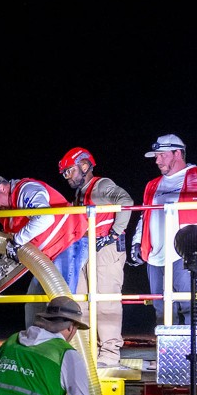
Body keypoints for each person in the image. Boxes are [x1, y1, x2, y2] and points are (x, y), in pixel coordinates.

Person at [129, 134, 197, 325]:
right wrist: (137, 241)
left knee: (191, 306)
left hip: (188, 252)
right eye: (156, 156)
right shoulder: (152, 184)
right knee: (162, 309)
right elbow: (145, 215)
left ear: (178, 153)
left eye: (162, 155)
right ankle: (169, 345)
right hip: (156, 256)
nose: (157, 160)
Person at [57, 147, 134, 369]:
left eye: (69, 171)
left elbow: (126, 201)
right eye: (64, 173)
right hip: (86, 249)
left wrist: (114, 234)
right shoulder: (81, 193)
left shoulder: (101, 185)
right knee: (81, 300)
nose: (67, 177)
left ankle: (109, 352)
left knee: (105, 300)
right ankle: (87, 349)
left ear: (84, 166)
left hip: (104, 250)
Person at [0, 175, 88, 327]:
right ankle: (35, 339)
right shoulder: (8, 212)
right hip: (49, 255)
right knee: (33, 302)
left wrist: (16, 241)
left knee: (61, 305)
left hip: (68, 242)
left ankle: (63, 341)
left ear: (2, 188)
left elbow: (45, 218)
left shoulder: (25, 190)